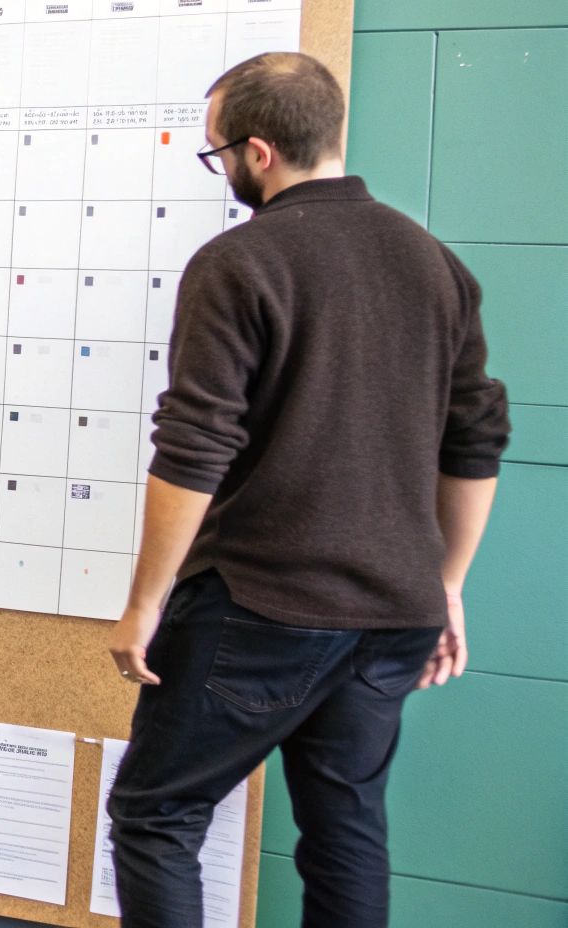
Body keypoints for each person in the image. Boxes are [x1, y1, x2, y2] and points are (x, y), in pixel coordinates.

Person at [104, 51, 509, 928]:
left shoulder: (240, 262)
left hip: (263, 602)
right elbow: (476, 438)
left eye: (216, 156)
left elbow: (195, 445)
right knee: (344, 826)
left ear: (259, 152)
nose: (224, 176)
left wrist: (146, 603)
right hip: (395, 611)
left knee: (157, 815)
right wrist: (445, 586)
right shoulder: (434, 262)